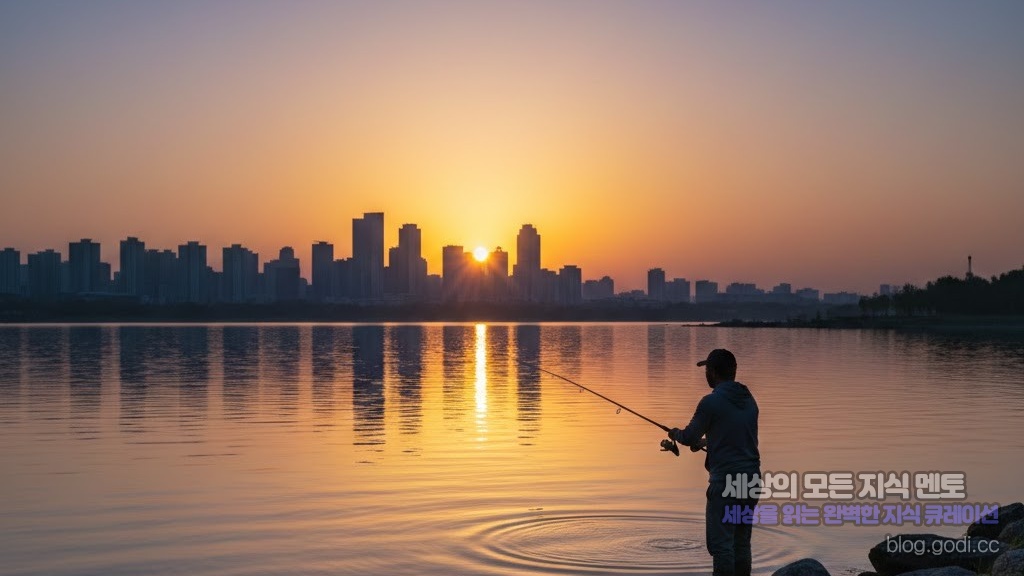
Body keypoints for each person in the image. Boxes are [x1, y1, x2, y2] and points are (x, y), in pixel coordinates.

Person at [669, 348, 761, 576]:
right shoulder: (749, 400)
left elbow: (688, 436)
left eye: (707, 370)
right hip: (750, 481)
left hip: (725, 483)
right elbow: (732, 434)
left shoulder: (711, 402)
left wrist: (675, 434)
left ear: (712, 372)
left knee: (721, 546)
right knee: (741, 541)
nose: (705, 374)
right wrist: (706, 442)